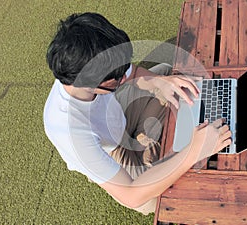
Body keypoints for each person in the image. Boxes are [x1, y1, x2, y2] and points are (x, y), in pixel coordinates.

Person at [43, 12, 231, 215]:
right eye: (116, 78)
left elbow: (131, 73)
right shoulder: (71, 133)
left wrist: (160, 83)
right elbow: (131, 195)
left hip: (119, 115)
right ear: (89, 83)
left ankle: (152, 144)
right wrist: (194, 151)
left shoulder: (89, 64)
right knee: (154, 200)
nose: (124, 75)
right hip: (112, 152)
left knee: (169, 76)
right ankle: (157, 149)